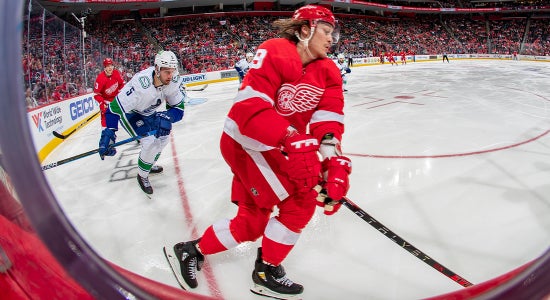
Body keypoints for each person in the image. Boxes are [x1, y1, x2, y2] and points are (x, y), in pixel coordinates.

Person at [165, 5, 352, 299]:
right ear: (305, 30)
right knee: (301, 202)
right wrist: (291, 138)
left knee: (251, 223)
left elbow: (327, 121)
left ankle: (191, 250)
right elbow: (250, 108)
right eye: (326, 31)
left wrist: (333, 161)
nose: (332, 39)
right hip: (246, 142)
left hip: (276, 146)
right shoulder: (276, 50)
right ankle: (266, 270)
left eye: (333, 33)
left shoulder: (328, 70)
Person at [98, 50, 186, 195]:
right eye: (166, 72)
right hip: (131, 113)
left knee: (163, 138)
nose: (170, 76)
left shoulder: (173, 80)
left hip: (149, 112)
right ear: (157, 69)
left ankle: (148, 164)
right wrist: (110, 132)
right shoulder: (140, 85)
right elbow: (113, 109)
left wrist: (168, 117)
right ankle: (142, 175)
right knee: (151, 141)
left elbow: (178, 110)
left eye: (172, 71)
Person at [93, 58, 124, 128]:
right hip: (106, 101)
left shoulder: (116, 73)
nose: (110, 67)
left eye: (111, 65)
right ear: (105, 68)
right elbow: (96, 94)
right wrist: (102, 102)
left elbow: (121, 84)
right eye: (108, 66)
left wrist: (120, 93)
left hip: (116, 99)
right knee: (105, 118)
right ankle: (106, 134)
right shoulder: (100, 78)